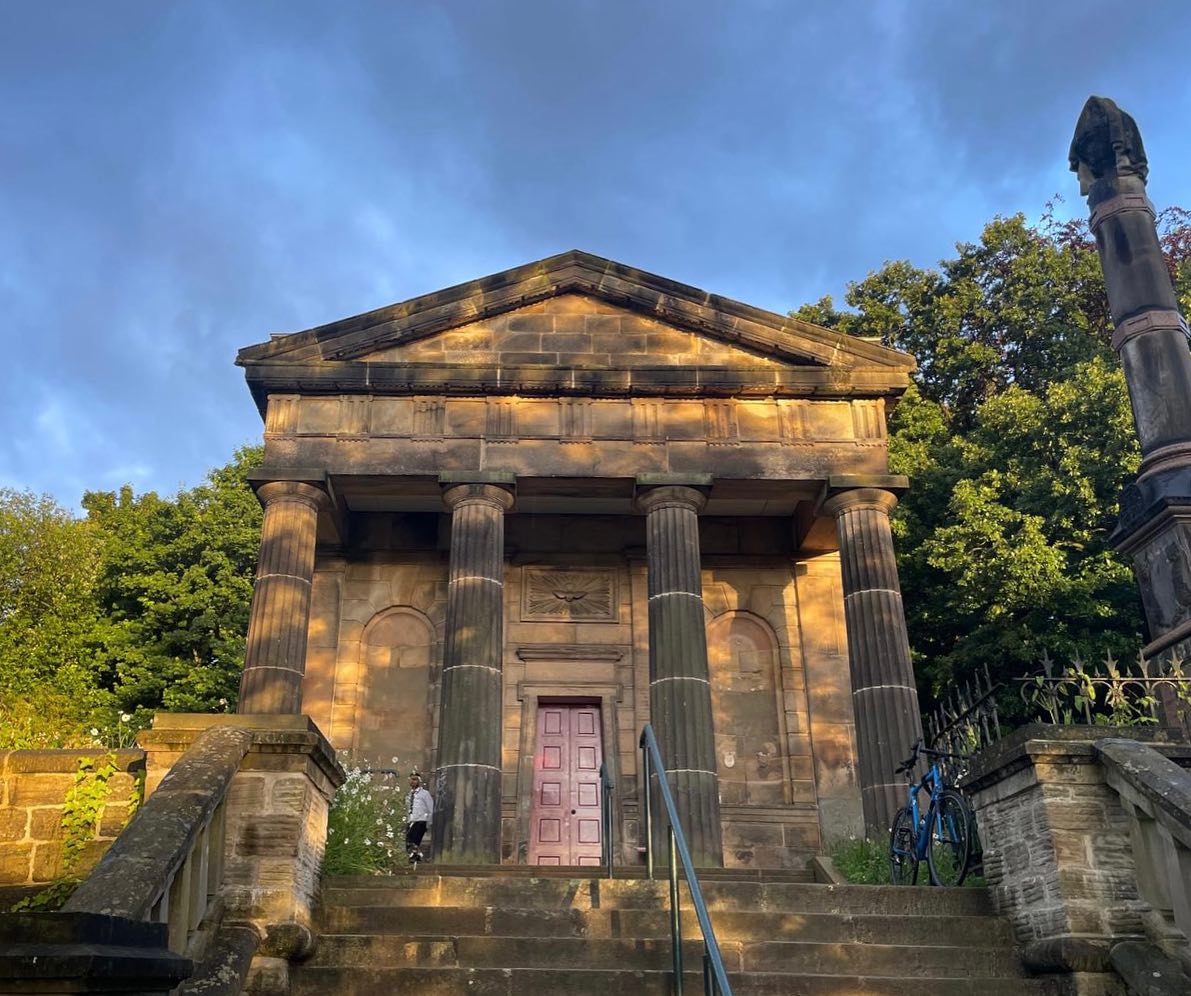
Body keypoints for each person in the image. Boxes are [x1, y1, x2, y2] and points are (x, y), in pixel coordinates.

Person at [405, 771, 433, 865]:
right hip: (411, 820)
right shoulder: (409, 795)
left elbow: (430, 808)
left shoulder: (425, 794)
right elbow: (408, 808)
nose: (413, 782)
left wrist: (428, 822)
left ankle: (416, 857)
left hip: (421, 820)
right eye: (411, 779)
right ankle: (418, 857)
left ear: (419, 781)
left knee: (412, 839)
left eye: (415, 779)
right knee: (409, 842)